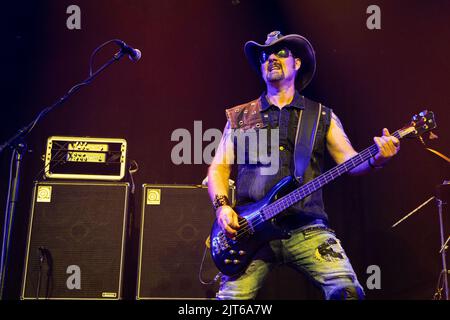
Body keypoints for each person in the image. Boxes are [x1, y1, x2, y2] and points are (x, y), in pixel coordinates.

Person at [207, 31, 400, 300]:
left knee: (347, 292)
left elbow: (351, 161)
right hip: (248, 231)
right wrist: (222, 207)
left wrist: (378, 158)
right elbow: (218, 168)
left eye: (281, 53)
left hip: (308, 228)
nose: (271, 57)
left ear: (297, 63)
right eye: (265, 55)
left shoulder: (321, 115)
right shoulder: (241, 116)